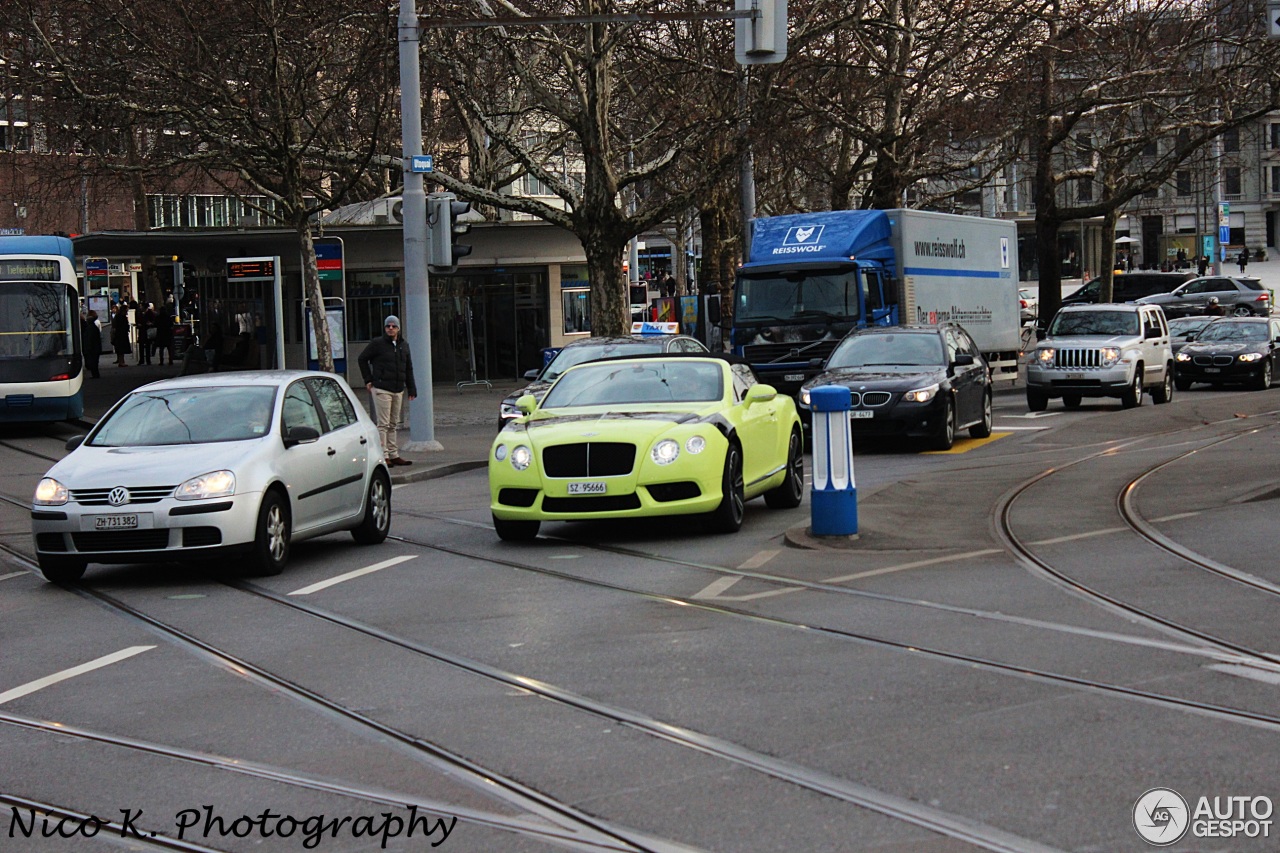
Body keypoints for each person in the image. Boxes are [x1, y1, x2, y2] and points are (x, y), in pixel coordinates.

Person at [358, 315, 418, 467]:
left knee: (393, 423)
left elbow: (408, 368)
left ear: (398, 328)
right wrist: (368, 379)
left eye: (393, 326)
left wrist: (412, 388)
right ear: (385, 328)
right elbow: (362, 359)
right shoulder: (378, 344)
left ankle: (393, 453)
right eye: (388, 326)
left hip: (398, 389)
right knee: (383, 424)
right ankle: (383, 454)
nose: (390, 328)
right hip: (382, 388)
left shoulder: (404, 345)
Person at [81, 310, 101, 378]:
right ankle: (95, 374)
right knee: (95, 362)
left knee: (93, 362)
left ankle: (95, 374)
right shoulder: (94, 327)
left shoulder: (89, 328)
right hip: (95, 347)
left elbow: (89, 339)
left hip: (92, 348)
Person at [111, 302, 131, 367]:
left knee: (120, 349)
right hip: (121, 334)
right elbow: (123, 325)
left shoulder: (118, 316)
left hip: (119, 334)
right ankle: (121, 361)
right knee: (121, 349)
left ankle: (121, 361)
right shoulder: (122, 317)